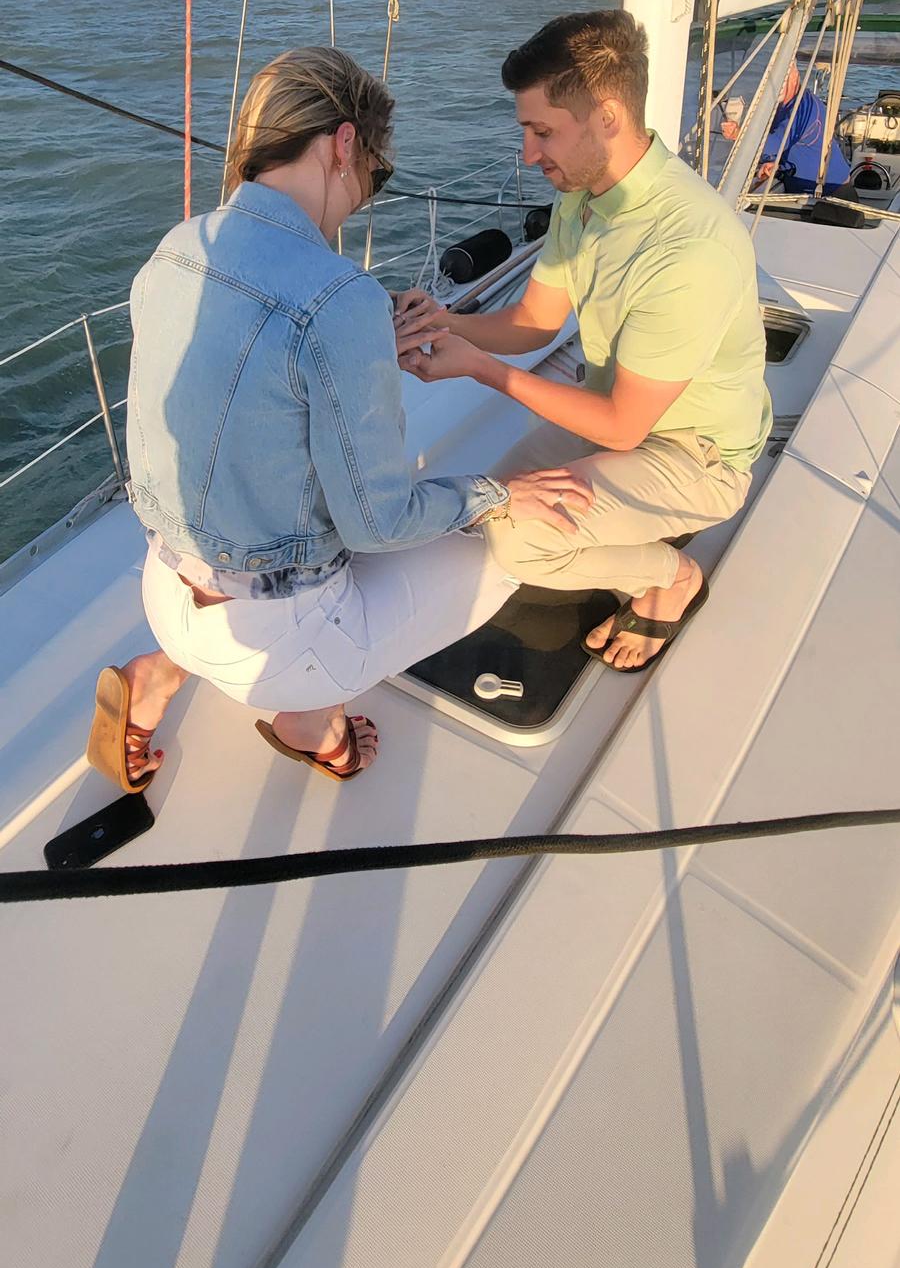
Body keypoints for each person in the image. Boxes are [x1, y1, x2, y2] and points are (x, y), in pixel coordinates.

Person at [87, 47, 591, 791]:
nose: (364, 197)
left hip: (164, 592)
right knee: (512, 546)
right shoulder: (338, 296)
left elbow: (236, 401)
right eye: (375, 178)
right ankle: (308, 721)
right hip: (282, 644)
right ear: (345, 144)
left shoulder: (176, 248)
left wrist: (356, 353)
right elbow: (377, 523)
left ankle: (161, 672)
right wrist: (501, 494)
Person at [395, 10, 772, 674]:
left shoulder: (688, 248)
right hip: (615, 414)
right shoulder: (586, 196)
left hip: (697, 455)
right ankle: (636, 541)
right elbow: (536, 323)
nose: (529, 155)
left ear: (605, 115)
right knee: (495, 498)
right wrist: (445, 321)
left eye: (542, 132)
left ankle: (667, 575)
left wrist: (479, 368)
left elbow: (625, 427)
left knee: (518, 536)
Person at [721, 60, 850, 194]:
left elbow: (775, 144)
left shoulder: (804, 107)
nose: (777, 84)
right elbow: (777, 144)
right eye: (772, 78)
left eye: (782, 77)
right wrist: (776, 163)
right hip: (799, 190)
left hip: (830, 191)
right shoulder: (781, 106)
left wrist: (738, 134)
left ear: (795, 77)